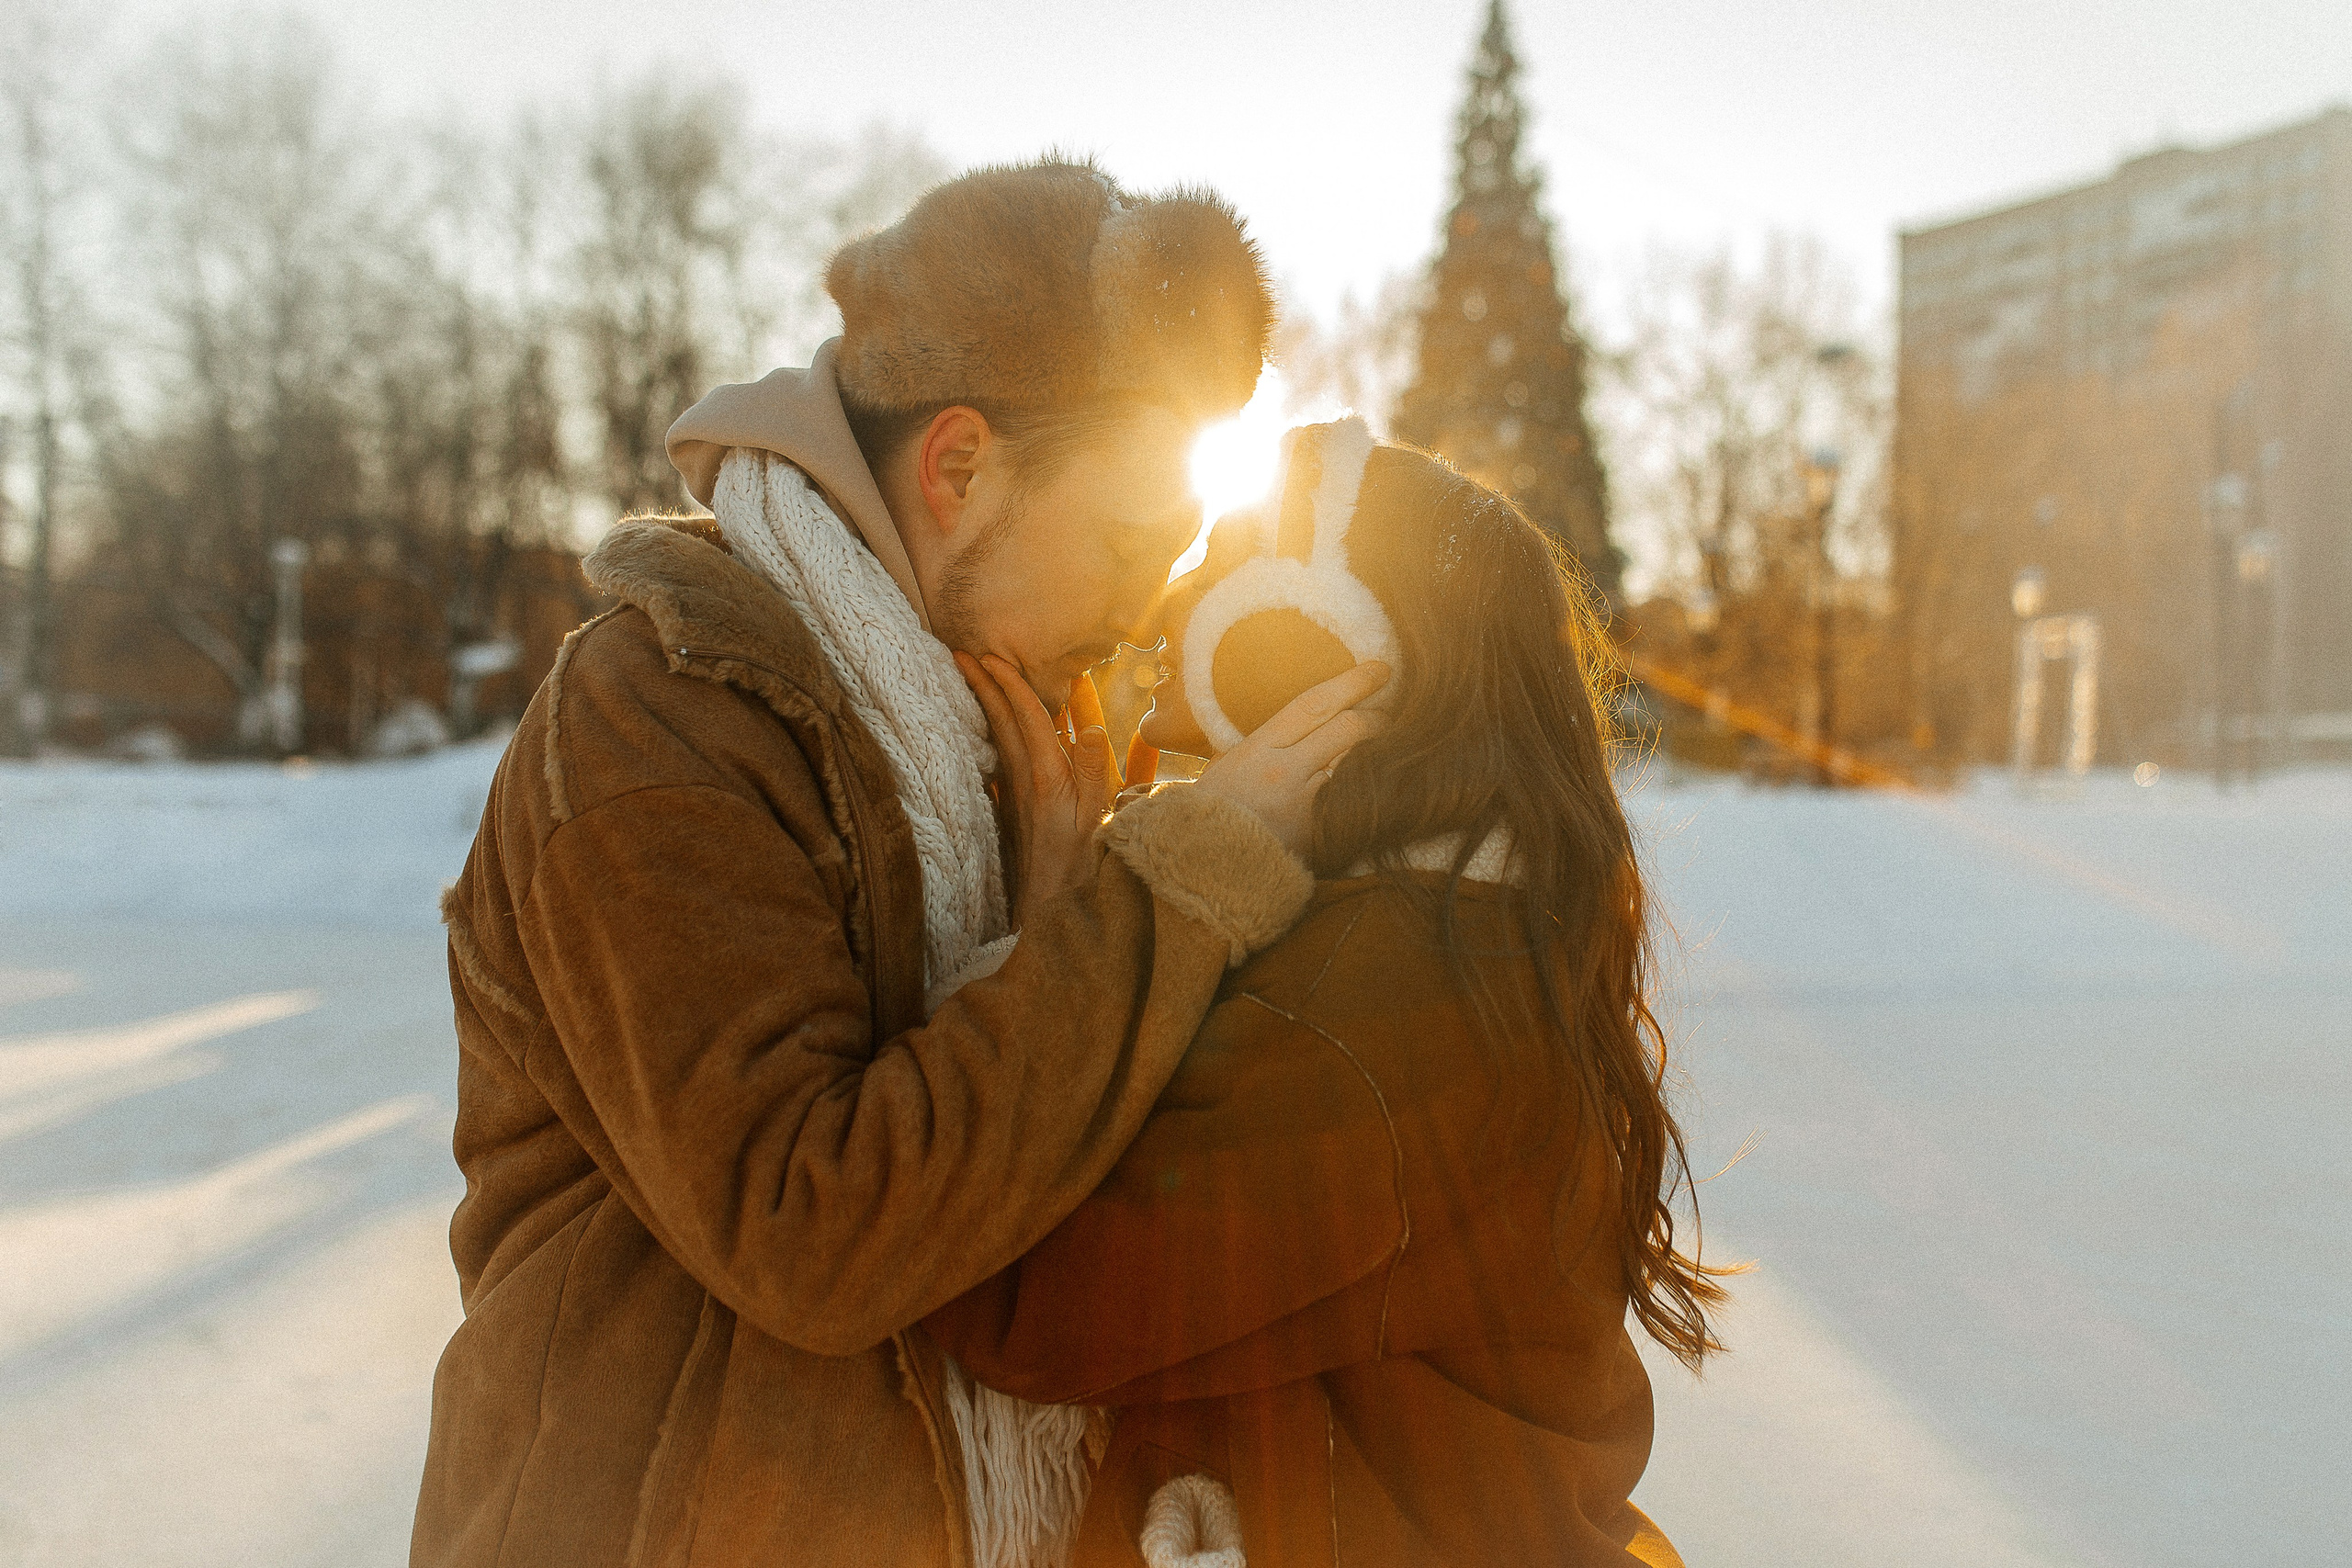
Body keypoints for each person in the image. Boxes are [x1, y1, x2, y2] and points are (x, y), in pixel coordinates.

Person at [411, 160, 1391, 1568]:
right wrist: (1165, 892)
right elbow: (812, 1225)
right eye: (1125, 541)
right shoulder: (660, 714)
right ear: (960, 466)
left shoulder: (995, 735)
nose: (1138, 607)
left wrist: (1062, 920)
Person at [926, 420, 1731, 1566]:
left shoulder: (1395, 1005)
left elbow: (1019, 1293)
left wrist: (1066, 943)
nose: (1168, 598)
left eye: (1225, 561)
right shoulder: (1447, 941)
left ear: (1353, 645)